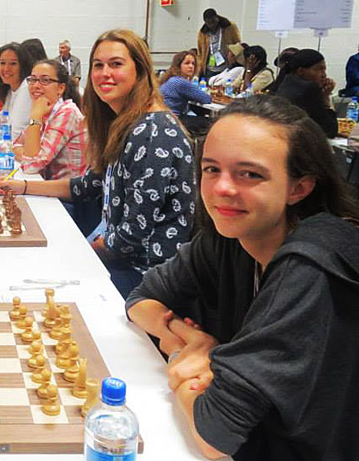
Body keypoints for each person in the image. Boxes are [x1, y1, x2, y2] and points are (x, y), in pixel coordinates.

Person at [125, 95, 359, 461]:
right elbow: (140, 299)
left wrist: (183, 375)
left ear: (300, 187)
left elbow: (216, 436)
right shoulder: (232, 234)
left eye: (249, 174)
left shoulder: (311, 268)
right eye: (211, 169)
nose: (222, 188)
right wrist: (190, 342)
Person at [0, 30, 195, 297]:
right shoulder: (124, 125)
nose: (104, 73)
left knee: (31, 287)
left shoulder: (152, 132)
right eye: (98, 65)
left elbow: (132, 234)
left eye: (116, 64)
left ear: (141, 70)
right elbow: (86, 186)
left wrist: (79, 254)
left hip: (146, 278)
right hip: (123, 261)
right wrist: (24, 187)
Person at [15, 59, 87, 180]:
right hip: (46, 187)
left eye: (45, 80)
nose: (36, 85)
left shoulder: (67, 113)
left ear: (60, 88)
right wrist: (28, 155)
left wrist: (35, 117)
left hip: (66, 196)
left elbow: (30, 166)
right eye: (32, 79)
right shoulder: (45, 109)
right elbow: (16, 144)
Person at [275, 49, 337, 137]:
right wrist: (326, 98)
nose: (324, 75)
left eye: (324, 70)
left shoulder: (285, 81)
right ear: (301, 71)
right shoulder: (309, 88)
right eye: (319, 69)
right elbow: (330, 130)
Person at [0, 42, 34, 139]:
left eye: (13, 63)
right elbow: (3, 123)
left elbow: (16, 134)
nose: (6, 68)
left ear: (23, 66)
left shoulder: (26, 89)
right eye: (2, 63)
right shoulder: (11, 89)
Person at [160, 50, 212, 116]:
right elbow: (206, 99)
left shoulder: (169, 78)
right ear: (178, 66)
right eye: (187, 63)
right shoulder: (180, 82)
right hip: (174, 118)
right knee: (208, 121)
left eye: (193, 64)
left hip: (165, 116)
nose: (191, 66)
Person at [196, 8, 241, 78]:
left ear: (217, 18)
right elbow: (200, 52)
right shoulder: (203, 33)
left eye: (213, 22)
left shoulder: (229, 27)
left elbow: (237, 43)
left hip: (227, 65)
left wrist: (233, 55)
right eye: (209, 23)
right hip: (211, 67)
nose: (212, 25)